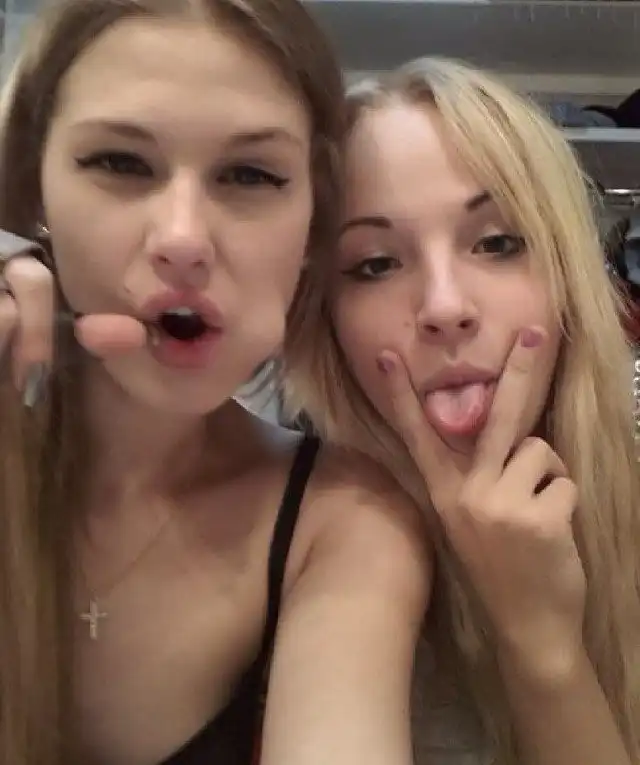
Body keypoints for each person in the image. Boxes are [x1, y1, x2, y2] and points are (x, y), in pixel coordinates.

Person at [0, 3, 431, 765]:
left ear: (312, 228)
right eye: (120, 163)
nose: (183, 240)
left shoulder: (346, 520)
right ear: (34, 190)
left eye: (250, 174)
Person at [282, 58, 640, 764]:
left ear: (567, 271)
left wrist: (543, 642)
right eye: (376, 263)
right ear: (327, 318)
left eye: (497, 243)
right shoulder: (305, 534)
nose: (445, 307)